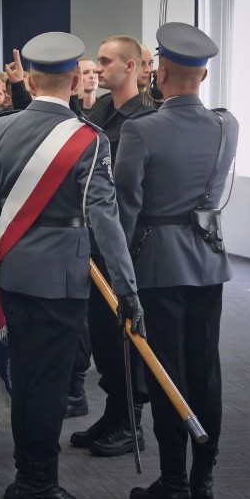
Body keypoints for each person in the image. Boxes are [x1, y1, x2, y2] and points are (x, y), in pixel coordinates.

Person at [0, 32, 142, 499]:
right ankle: (40, 488)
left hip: (13, 268)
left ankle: (26, 476)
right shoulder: (89, 139)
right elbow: (106, 221)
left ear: (28, 80)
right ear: (74, 80)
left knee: (25, 379)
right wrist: (127, 288)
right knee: (49, 384)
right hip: (61, 277)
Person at [114, 22, 238, 499]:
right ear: (203, 75)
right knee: (205, 370)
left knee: (167, 372)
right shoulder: (229, 126)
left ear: (158, 72)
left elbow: (124, 207)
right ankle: (203, 480)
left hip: (158, 264)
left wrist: (118, 270)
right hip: (209, 261)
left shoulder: (141, 130)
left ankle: (172, 481)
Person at [71, 35, 150, 458]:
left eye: (105, 61)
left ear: (132, 66)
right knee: (102, 336)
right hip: (94, 243)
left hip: (126, 246)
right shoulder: (97, 113)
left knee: (125, 335)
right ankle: (113, 410)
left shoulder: (144, 119)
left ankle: (130, 421)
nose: (97, 69)